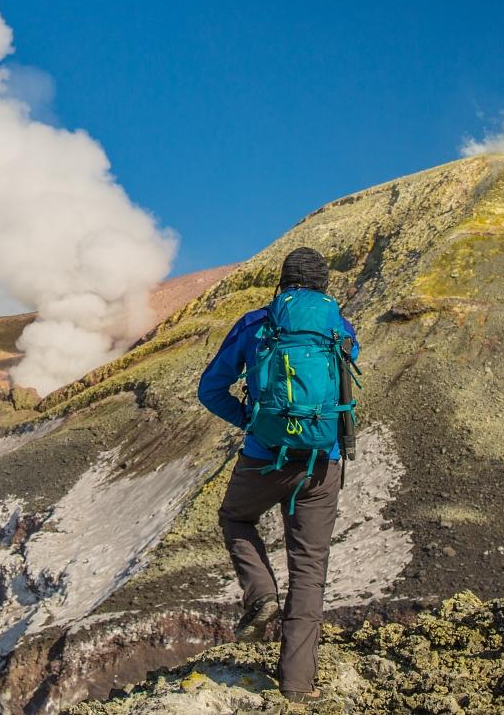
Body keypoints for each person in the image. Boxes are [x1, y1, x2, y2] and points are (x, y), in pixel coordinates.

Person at [197, 246, 358, 702]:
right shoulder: (339, 328)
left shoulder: (256, 323)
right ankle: (297, 686)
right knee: (309, 570)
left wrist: (250, 420)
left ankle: (260, 593)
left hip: (262, 457)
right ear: (325, 285)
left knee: (235, 518)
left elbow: (209, 389)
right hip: (322, 464)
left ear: (282, 282)